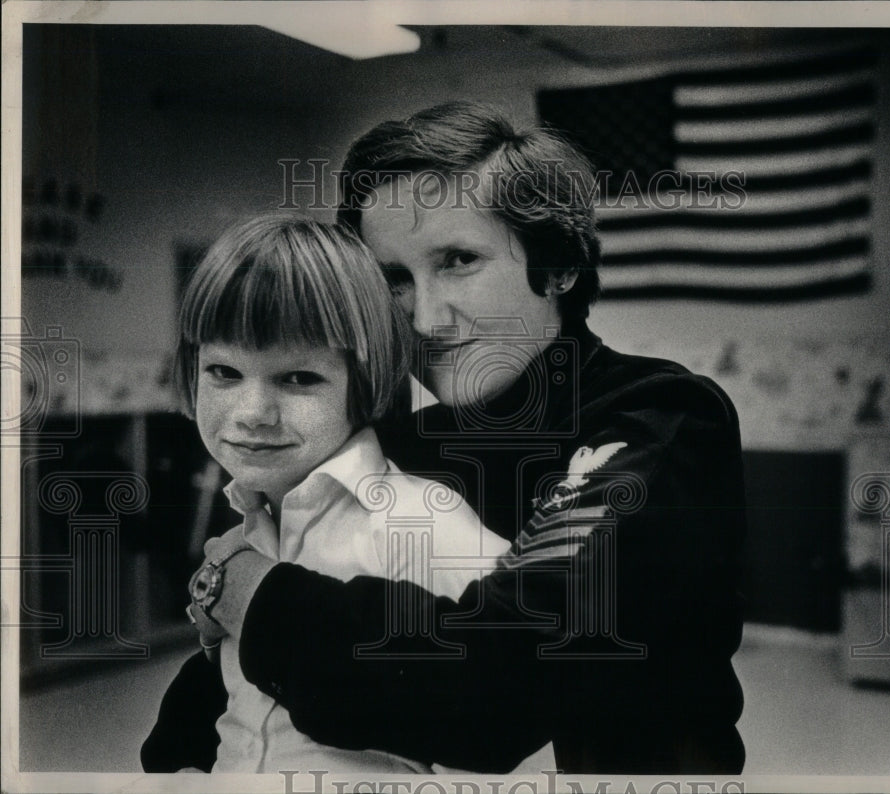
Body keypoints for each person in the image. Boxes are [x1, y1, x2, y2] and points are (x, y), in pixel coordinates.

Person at [142, 102, 747, 774]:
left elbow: (500, 680)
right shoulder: (395, 442)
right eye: (394, 278)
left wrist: (246, 589)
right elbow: (235, 689)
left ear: (557, 267)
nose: (425, 318)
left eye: (458, 260)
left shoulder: (659, 419)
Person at [142, 213, 509, 773]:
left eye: (297, 378)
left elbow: (509, 733)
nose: (251, 414)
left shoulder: (426, 526)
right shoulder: (249, 528)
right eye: (223, 371)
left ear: (362, 381)